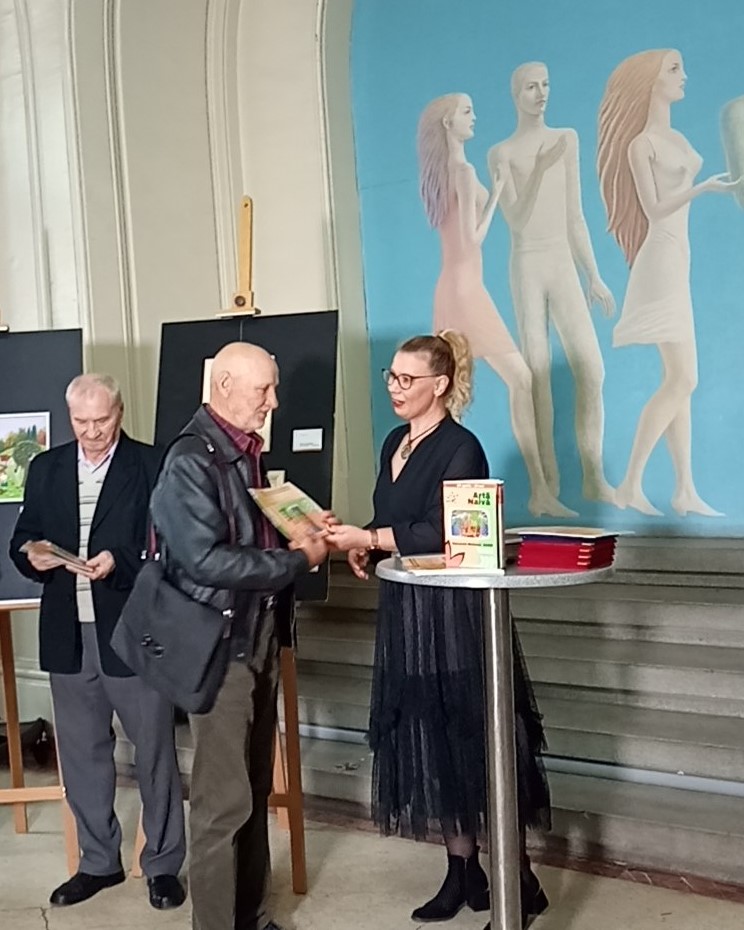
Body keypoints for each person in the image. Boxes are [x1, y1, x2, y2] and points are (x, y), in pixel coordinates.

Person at [326, 331, 551, 930]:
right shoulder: (393, 442)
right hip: (407, 607)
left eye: (407, 379)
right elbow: (394, 519)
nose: (395, 388)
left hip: (454, 615)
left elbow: (448, 530)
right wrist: (367, 543)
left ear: (441, 385)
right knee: (430, 735)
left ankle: (518, 878)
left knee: (472, 740)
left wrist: (371, 538)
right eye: (391, 377)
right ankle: (462, 869)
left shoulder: (462, 448)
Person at [148, 342, 328, 930]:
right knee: (222, 805)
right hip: (220, 650)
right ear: (223, 386)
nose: (273, 401)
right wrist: (297, 560)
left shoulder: (244, 452)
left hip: (257, 638)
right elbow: (205, 560)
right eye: (263, 390)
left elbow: (247, 538)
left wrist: (301, 527)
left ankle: (251, 915)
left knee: (250, 791)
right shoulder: (189, 460)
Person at [9, 374, 186, 909]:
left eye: (101, 420)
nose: (91, 432)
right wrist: (34, 556)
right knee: (82, 753)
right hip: (68, 632)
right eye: (81, 422)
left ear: (120, 412)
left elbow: (171, 543)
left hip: (133, 630)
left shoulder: (151, 463)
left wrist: (120, 561)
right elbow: (22, 540)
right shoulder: (46, 467)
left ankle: (162, 865)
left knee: (154, 752)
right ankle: (98, 861)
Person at [418, 92, 574, 518]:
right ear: (448, 123)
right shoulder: (464, 172)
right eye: (467, 111)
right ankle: (539, 490)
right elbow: (471, 240)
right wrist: (500, 189)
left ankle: (444, 500)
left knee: (448, 398)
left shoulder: (441, 175)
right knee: (520, 379)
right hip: (467, 290)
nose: (474, 117)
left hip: (450, 287)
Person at [598, 49, 739, 516]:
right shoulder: (642, 145)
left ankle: (684, 489)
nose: (684, 76)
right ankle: (630, 484)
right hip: (660, 259)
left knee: (680, 379)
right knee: (684, 377)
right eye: (674, 69)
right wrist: (705, 187)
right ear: (651, 81)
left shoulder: (675, 136)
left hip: (679, 258)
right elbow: (655, 210)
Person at [488, 62, 616, 506]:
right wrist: (539, 168)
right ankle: (547, 485)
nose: (541, 93)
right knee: (538, 376)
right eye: (531, 86)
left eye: (545, 84)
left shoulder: (566, 139)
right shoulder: (502, 153)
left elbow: (575, 214)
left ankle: (593, 475)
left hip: (561, 260)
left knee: (592, 369)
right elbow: (516, 219)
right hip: (527, 263)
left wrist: (593, 275)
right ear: (515, 94)